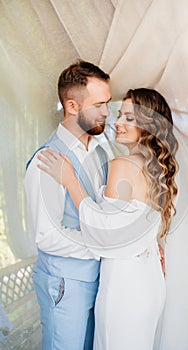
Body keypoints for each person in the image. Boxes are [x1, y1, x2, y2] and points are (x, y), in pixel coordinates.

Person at [37, 88, 179, 350]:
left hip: (124, 284)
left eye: (129, 118)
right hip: (150, 281)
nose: (118, 123)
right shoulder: (157, 169)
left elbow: (104, 231)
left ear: (148, 126)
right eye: (120, 115)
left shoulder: (122, 164)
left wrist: (71, 182)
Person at [24, 59, 111, 350]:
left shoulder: (100, 152)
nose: (107, 112)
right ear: (72, 107)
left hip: (100, 282)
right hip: (64, 285)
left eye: (107, 103)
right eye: (99, 104)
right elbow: (47, 236)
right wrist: (102, 245)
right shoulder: (46, 160)